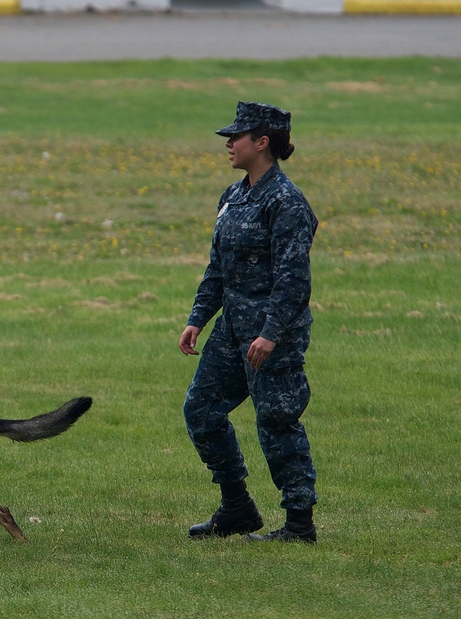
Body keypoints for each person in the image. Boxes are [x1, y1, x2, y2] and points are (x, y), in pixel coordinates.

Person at [178, 101, 319, 543]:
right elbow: (217, 266)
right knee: (201, 410)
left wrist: (271, 334)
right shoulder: (233, 195)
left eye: (236, 137)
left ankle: (299, 524)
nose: (228, 144)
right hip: (233, 331)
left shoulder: (286, 202)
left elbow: (294, 280)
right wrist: (198, 318)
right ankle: (237, 507)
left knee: (276, 421)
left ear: (262, 143)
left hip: (270, 335)